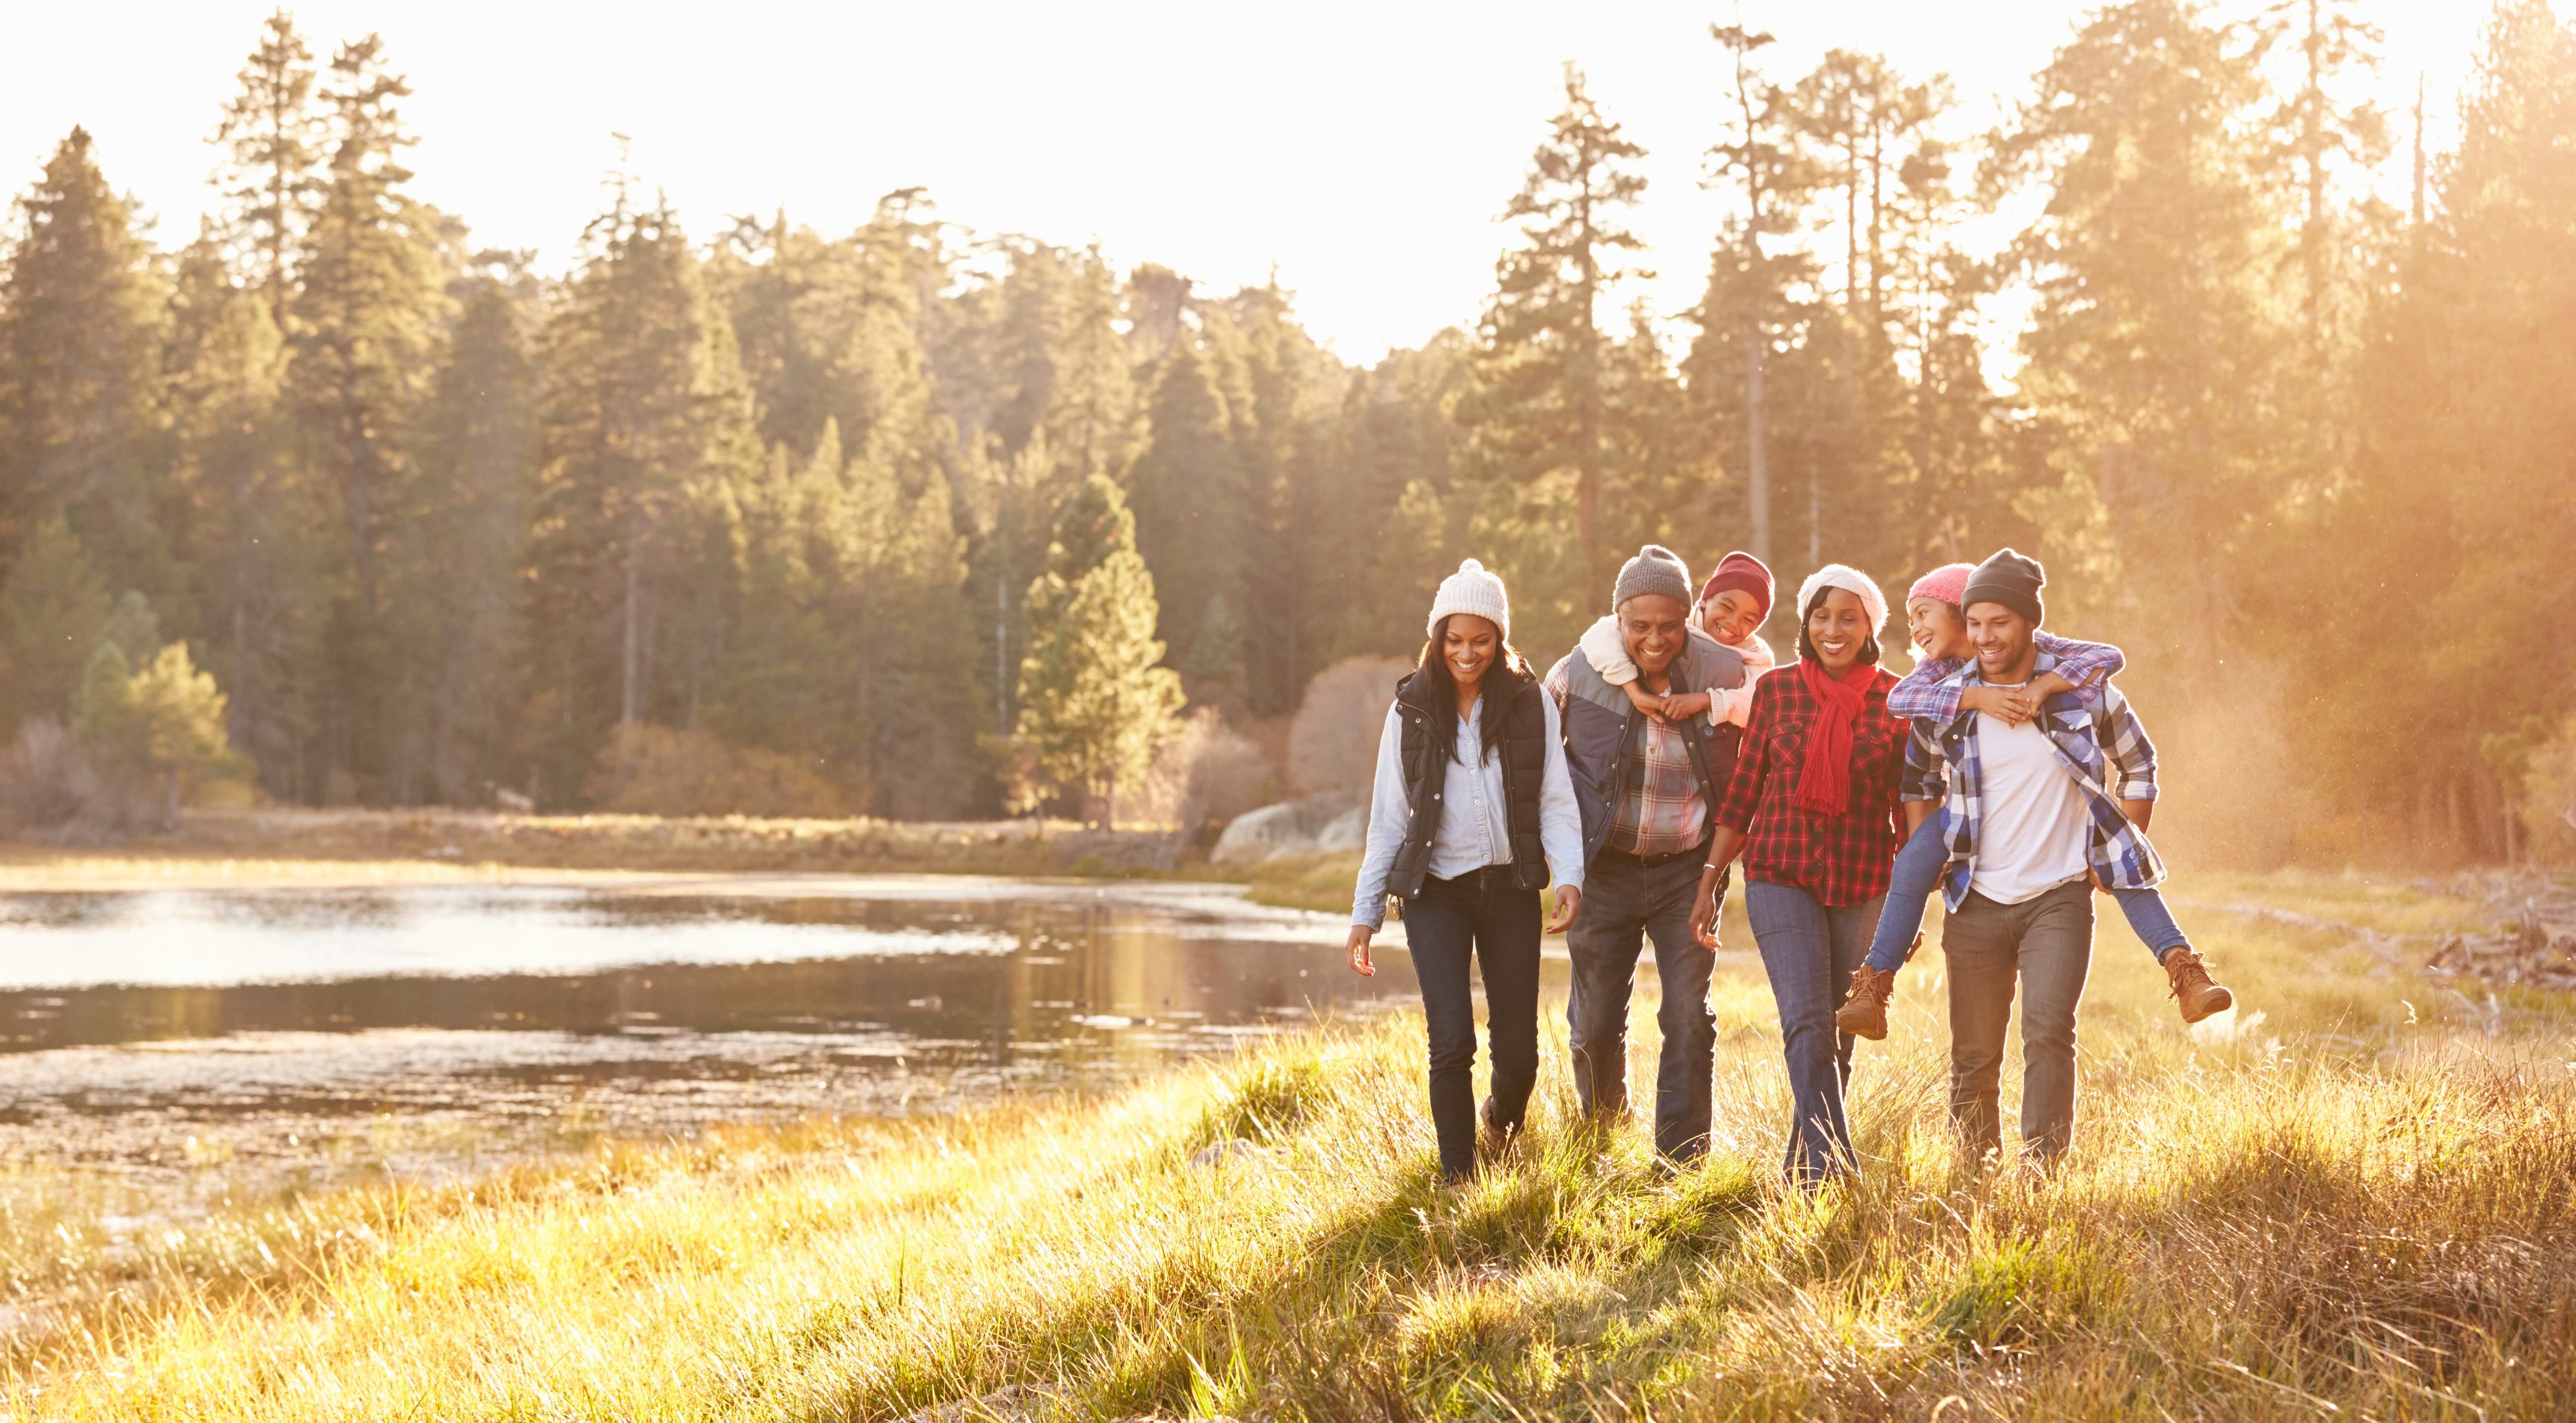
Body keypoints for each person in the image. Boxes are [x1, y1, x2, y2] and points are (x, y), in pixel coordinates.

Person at [1836, 563, 2233, 1039]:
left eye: (1924, 613)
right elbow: (1904, 709)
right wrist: (1978, 698)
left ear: (1962, 613)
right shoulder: (1937, 674)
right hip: (1962, 815)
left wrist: (2044, 686)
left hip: (2058, 817)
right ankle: (1874, 984)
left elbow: (2107, 656)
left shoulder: (2047, 658)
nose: (1916, 628)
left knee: (2120, 858)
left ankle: (2184, 968)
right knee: (1911, 864)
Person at [1889, 548, 2191, 1167]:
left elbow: (2140, 764)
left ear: (2030, 622)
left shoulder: (2082, 694)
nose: (1984, 637)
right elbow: (1917, 779)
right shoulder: (1948, 700)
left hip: (2058, 895)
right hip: (1975, 897)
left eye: (1999, 622)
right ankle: (1974, 1168)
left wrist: (2115, 846)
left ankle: (2042, 1170)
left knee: (2048, 1034)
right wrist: (1937, 848)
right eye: (1974, 624)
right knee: (1974, 1052)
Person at [1346, 559, 1586, 1184]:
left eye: (1481, 640)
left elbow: (1557, 800)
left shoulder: (1531, 705)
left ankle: (1501, 1121)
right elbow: (1387, 821)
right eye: (1454, 640)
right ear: (1437, 638)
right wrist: (1365, 914)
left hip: (1509, 889)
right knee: (1450, 1042)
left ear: (1500, 638)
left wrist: (1569, 877)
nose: (1466, 653)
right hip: (1435, 896)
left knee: (1520, 1053)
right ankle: (1459, 1180)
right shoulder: (1410, 711)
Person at [1683, 566, 1907, 1184]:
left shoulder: (1896, 698)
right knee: (1806, 1021)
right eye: (1821, 616)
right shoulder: (1777, 691)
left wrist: (1905, 910)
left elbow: (1905, 812)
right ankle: (1836, 1170)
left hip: (1864, 882)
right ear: (1806, 622)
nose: (1832, 629)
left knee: (1840, 1032)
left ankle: (1801, 1171)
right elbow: (1743, 796)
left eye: (1848, 618)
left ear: (1870, 628)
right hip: (1780, 877)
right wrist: (1709, 880)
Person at [1544, 545, 1747, 1166]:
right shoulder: (1575, 674)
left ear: (1688, 616)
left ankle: (1681, 1157)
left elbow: (1758, 745)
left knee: (1688, 1016)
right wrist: (1558, 865)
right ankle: (1602, 1132)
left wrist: (1714, 878)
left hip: (1687, 868)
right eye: (1640, 626)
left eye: (1668, 625)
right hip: (1602, 869)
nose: (1654, 639)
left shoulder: (1724, 670)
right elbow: (1541, 772)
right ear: (1618, 621)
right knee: (1597, 1021)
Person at [1576, 550, 1777, 734]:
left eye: (1748, 620)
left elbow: (1762, 705)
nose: (1733, 623)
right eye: (1727, 607)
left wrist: (1706, 701)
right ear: (1705, 600)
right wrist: (1633, 690)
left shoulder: (1755, 657)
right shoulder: (1676, 624)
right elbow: (1601, 634)